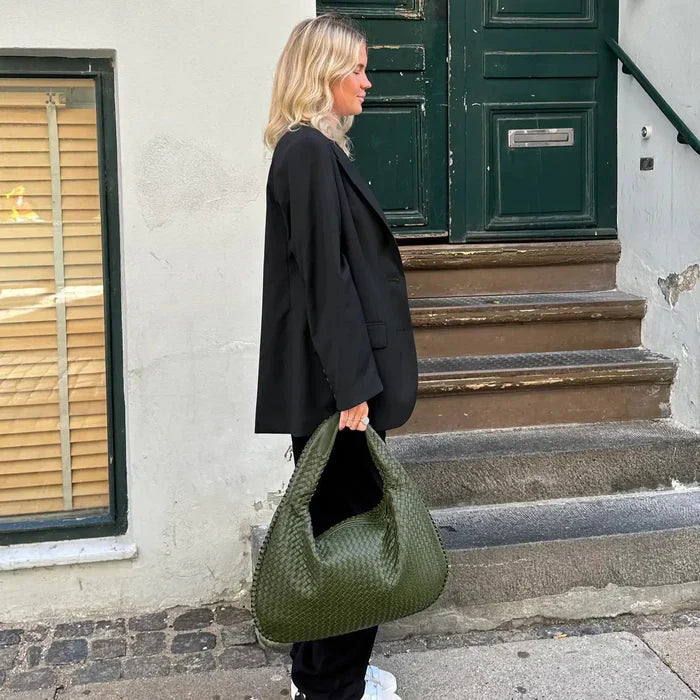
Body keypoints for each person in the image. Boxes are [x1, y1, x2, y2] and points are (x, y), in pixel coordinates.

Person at [254, 13, 418, 700]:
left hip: (336, 381)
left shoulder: (314, 150)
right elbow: (326, 277)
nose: (367, 81)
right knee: (350, 535)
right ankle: (331, 686)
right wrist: (353, 387)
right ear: (323, 74)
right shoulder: (307, 153)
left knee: (337, 531)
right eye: (357, 68)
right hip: (338, 389)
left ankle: (324, 675)